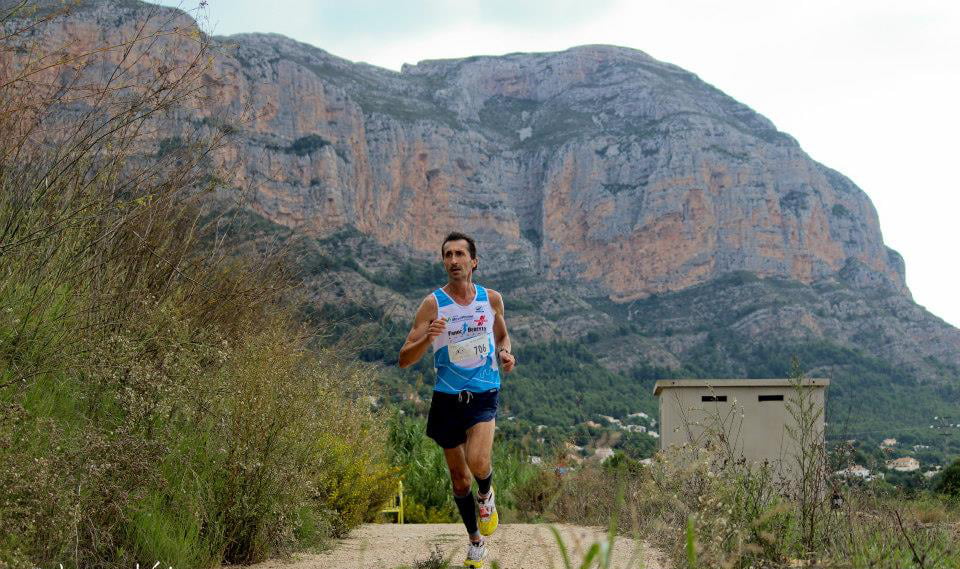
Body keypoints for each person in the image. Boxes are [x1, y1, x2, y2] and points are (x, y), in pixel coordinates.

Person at [398, 231, 516, 569]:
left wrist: (505, 352)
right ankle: (475, 542)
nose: (453, 261)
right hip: (448, 399)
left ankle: (487, 495)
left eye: (459, 254)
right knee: (459, 478)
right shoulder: (433, 304)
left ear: (473, 261)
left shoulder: (491, 299)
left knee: (478, 462)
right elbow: (405, 357)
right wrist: (428, 338)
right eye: (447, 255)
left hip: (483, 391)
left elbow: (502, 334)